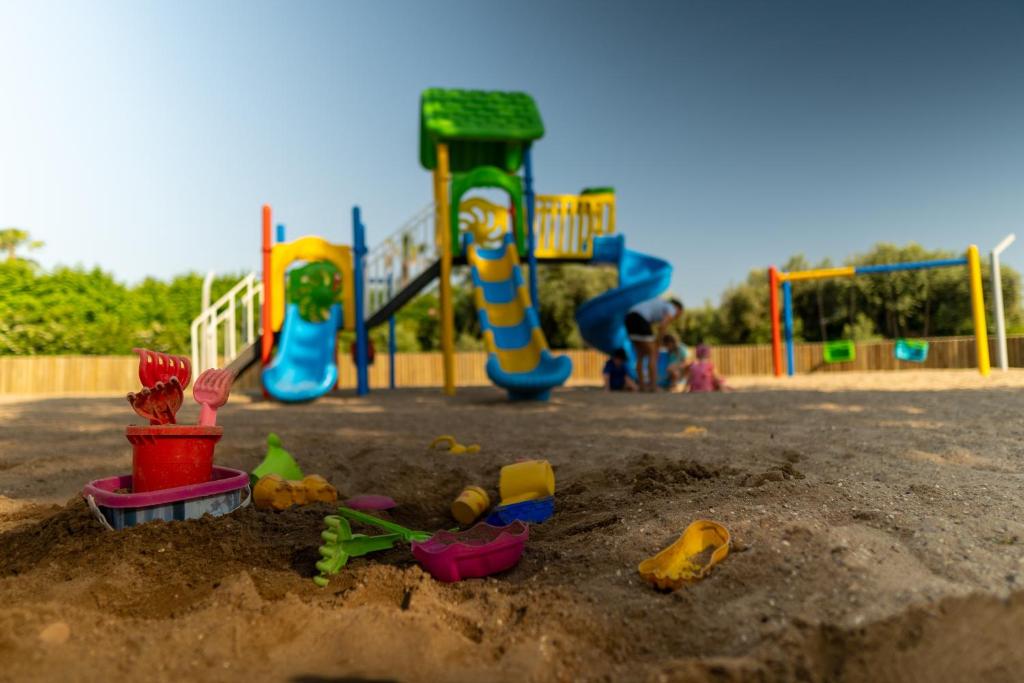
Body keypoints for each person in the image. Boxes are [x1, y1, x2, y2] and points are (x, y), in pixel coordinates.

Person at [625, 297, 684, 391]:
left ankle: (642, 386)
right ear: (678, 308)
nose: (677, 317)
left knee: (640, 354)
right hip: (639, 319)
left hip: (629, 318)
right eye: (679, 314)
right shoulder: (671, 308)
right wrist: (658, 343)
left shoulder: (660, 304)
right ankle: (653, 386)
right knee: (653, 353)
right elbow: (662, 326)